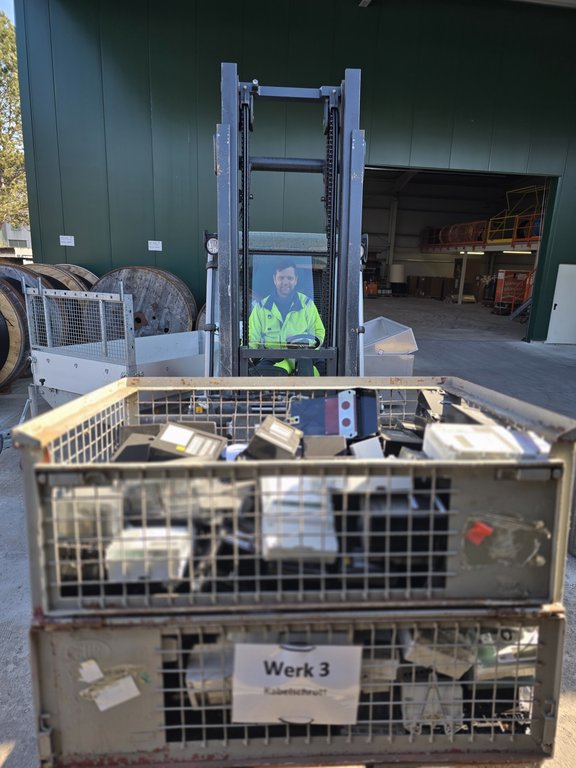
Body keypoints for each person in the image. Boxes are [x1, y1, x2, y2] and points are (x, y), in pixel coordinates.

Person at [248, 260, 325, 376]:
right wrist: (249, 354)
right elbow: (252, 336)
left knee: (327, 372)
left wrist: (303, 343)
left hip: (304, 354)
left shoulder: (307, 305)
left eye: (289, 278)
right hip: (273, 356)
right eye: (281, 278)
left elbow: (318, 333)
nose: (285, 282)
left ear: (295, 280)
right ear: (274, 279)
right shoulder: (260, 308)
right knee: (256, 374)